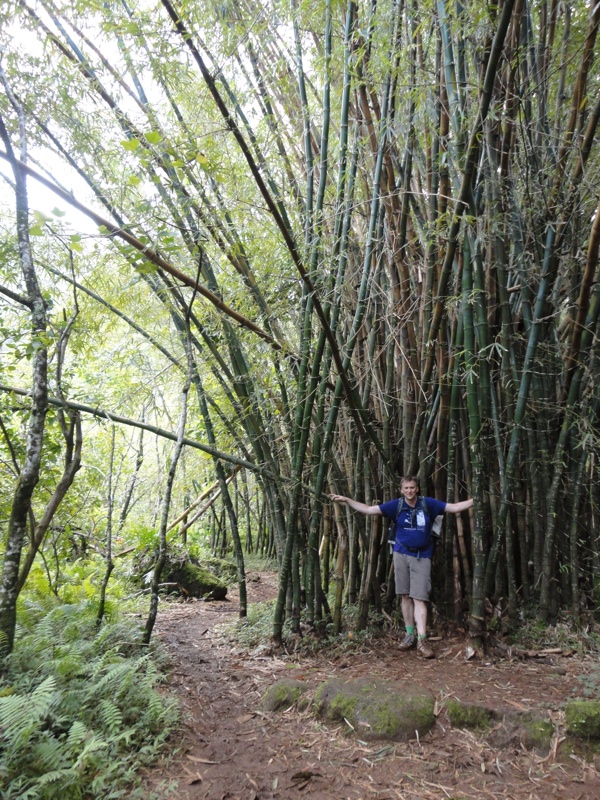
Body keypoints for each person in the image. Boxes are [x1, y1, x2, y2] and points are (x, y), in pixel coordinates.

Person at [331, 476, 473, 659]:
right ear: (401, 490)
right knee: (405, 595)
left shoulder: (428, 504)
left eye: (412, 488)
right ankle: (409, 635)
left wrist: (473, 500)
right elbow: (368, 510)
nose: (409, 491)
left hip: (422, 556)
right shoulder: (396, 506)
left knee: (419, 597)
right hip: (401, 554)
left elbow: (453, 508)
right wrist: (347, 501)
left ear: (417, 489)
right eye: (406, 488)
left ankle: (422, 639)